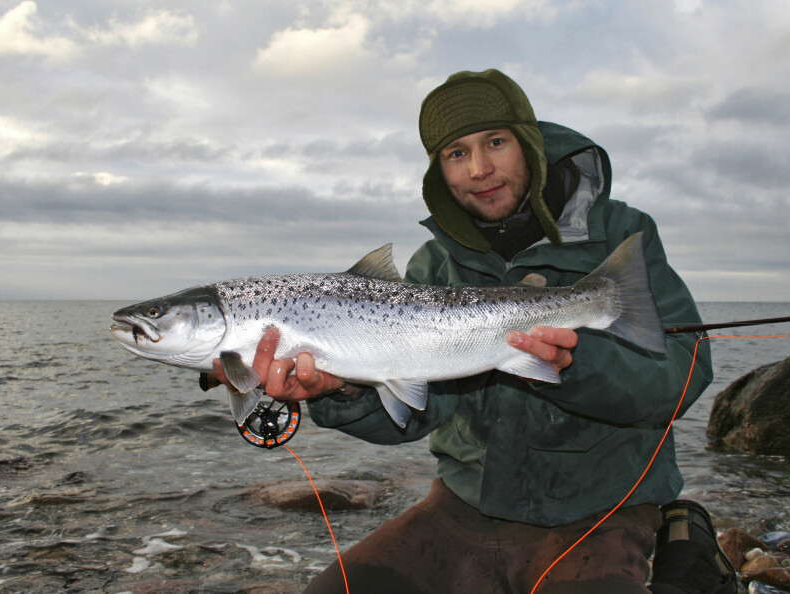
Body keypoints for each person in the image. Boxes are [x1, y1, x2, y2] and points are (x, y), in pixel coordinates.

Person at [213, 69, 735, 593]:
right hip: (464, 507)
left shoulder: (620, 233)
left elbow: (682, 377)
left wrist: (575, 365)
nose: (480, 169)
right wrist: (341, 390)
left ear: (528, 144)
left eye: (496, 142)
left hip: (602, 510)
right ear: (439, 171)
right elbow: (416, 414)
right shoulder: (435, 263)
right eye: (456, 154)